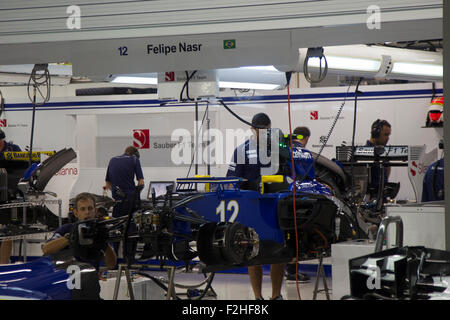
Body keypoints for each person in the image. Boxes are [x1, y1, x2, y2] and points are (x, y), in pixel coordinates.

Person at [226, 113, 285, 300]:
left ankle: (276, 296)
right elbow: (232, 180)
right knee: (252, 253)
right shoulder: (242, 150)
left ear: (270, 127)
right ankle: (257, 297)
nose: (262, 133)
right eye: (259, 130)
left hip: (276, 207)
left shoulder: (280, 150)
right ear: (252, 129)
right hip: (251, 208)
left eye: (266, 130)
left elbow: (288, 174)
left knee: (279, 253)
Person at [42, 192, 117, 299]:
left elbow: (111, 264)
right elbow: (46, 249)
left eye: (90, 208)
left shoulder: (100, 232)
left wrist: (105, 245)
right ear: (76, 213)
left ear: (95, 211)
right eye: (83, 209)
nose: (87, 212)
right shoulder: (66, 229)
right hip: (67, 290)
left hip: (90, 289)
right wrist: (69, 238)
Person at [104, 146, 144, 257]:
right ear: (134, 154)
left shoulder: (112, 160)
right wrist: (135, 194)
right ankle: (129, 261)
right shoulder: (134, 160)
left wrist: (117, 193)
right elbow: (141, 182)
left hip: (117, 202)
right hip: (130, 203)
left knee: (116, 231)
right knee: (131, 232)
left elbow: (108, 184)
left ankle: (115, 260)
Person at [284, 126, 312, 283]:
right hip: (301, 199)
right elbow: (311, 179)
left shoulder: (283, 151)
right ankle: (292, 271)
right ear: (306, 138)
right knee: (296, 235)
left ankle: (288, 269)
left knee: (285, 234)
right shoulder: (307, 154)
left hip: (282, 197)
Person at [0, 128, 21, 264]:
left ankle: (3, 265)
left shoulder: (14, 149)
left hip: (10, 197)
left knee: (8, 233)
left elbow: (20, 171)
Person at [365, 119, 392, 198]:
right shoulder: (364, 154)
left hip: (382, 198)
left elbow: (387, 171)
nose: (388, 138)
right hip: (370, 199)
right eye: (385, 134)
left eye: (389, 135)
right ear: (375, 134)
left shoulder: (384, 152)